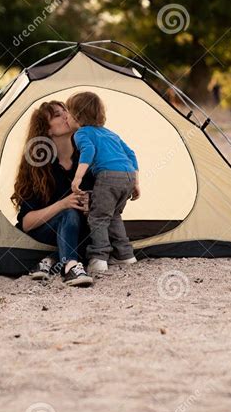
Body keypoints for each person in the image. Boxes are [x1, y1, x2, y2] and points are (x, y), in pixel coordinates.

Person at [11, 100, 94, 287]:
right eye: (57, 115)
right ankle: (71, 266)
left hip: (80, 231)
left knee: (95, 226)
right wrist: (63, 204)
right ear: (47, 130)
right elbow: (26, 223)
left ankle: (50, 260)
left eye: (67, 111)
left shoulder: (86, 157)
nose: (67, 115)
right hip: (44, 233)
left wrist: (91, 205)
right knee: (69, 214)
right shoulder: (38, 165)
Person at [65, 92, 140, 276]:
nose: (66, 116)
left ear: (78, 116)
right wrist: (136, 183)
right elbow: (131, 153)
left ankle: (99, 259)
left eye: (68, 112)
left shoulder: (81, 133)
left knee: (97, 217)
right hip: (128, 175)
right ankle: (125, 255)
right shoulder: (110, 133)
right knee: (114, 215)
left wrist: (78, 177)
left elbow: (88, 150)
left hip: (108, 177)